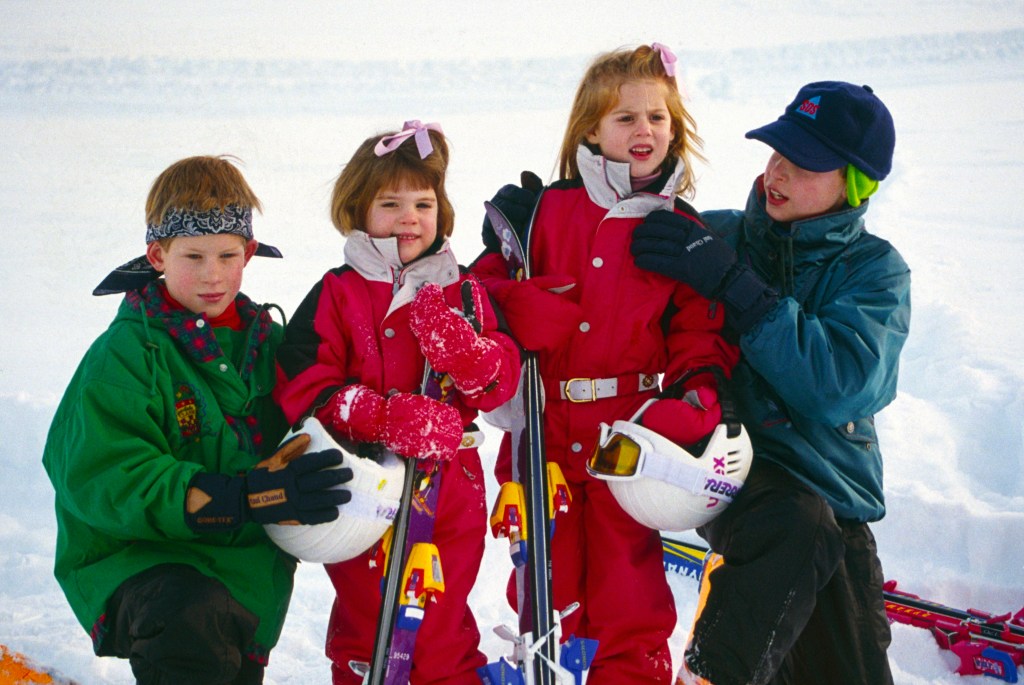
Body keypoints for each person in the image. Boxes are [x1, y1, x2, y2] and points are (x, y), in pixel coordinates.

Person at [472, 44, 738, 683]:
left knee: (628, 590)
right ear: (590, 128)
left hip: (632, 439)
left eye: (658, 118)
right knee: (546, 582)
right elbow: (477, 299)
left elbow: (700, 332)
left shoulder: (680, 228)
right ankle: (553, 670)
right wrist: (512, 296)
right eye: (625, 119)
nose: (643, 131)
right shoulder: (545, 213)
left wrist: (698, 393)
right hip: (546, 432)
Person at [630, 81, 911, 685]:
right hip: (735, 472)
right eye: (777, 151)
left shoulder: (875, 274)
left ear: (855, 184)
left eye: (804, 162)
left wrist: (739, 291)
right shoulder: (719, 238)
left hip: (833, 502)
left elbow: (839, 385)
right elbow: (611, 251)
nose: (777, 172)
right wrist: (538, 224)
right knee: (792, 521)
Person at [42, 155, 352, 685]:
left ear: (249, 254)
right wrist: (245, 496)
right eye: (193, 256)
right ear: (157, 254)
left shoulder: (269, 346)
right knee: (191, 617)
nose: (212, 274)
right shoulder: (126, 354)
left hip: (244, 572)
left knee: (217, 640)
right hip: (142, 562)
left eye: (227, 255)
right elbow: (107, 476)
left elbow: (319, 409)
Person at [273, 121, 522, 684]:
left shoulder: (462, 292)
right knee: (371, 620)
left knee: (441, 615)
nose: (409, 217)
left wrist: (468, 355)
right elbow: (304, 381)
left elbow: (502, 383)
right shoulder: (339, 290)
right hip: (367, 487)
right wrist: (378, 416)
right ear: (359, 209)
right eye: (390, 203)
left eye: (423, 202)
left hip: (450, 486)